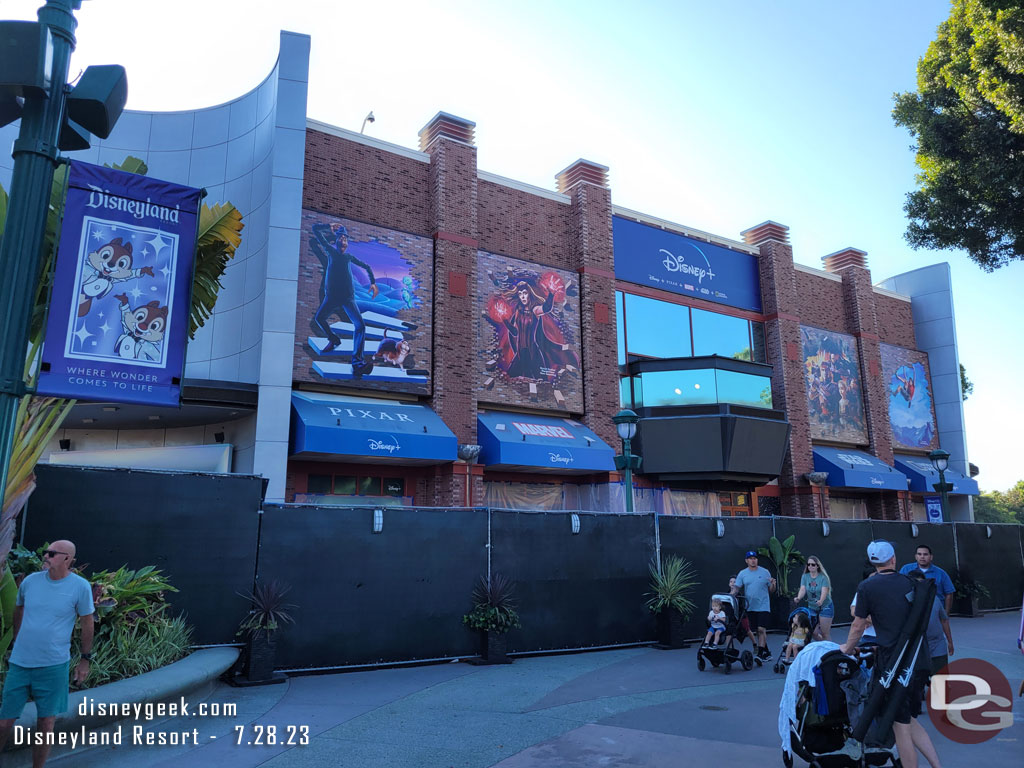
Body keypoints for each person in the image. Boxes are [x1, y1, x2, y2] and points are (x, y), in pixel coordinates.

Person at [842, 541, 943, 768]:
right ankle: (937, 765)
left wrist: (847, 649)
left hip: (893, 665)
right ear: (894, 559)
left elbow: (858, 626)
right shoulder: (909, 582)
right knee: (908, 719)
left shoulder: (867, 587)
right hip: (917, 661)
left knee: (900, 726)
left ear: (872, 561)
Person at [0, 540, 95, 768]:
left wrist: (84, 660)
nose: (46, 556)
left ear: (67, 559)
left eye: (52, 553)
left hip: (53, 666)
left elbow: (87, 622)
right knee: (3, 723)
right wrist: (18, 640)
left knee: (46, 724)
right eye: (46, 552)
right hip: (21, 663)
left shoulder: (80, 587)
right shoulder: (31, 582)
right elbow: (19, 608)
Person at [310, 223, 379, 375]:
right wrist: (328, 225)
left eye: (346, 239)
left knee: (360, 326)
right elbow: (315, 230)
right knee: (319, 318)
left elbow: (367, 266)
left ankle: (358, 364)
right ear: (336, 241)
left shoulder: (349, 257)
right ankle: (333, 339)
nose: (343, 241)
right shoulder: (330, 252)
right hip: (332, 297)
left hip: (348, 299)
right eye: (341, 238)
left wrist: (373, 282)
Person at [906, 570, 955, 675]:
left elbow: (944, 620)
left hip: (937, 645)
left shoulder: (935, 599)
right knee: (916, 680)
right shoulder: (906, 601)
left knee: (940, 677)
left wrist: (950, 642)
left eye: (922, 583)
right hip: (916, 647)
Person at [731, 549, 776, 659]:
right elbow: (736, 588)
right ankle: (767, 652)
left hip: (763, 605)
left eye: (755, 558)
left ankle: (760, 655)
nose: (753, 561)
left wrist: (773, 584)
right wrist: (730, 596)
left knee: (761, 629)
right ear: (746, 560)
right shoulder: (742, 573)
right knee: (757, 630)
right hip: (750, 606)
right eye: (750, 559)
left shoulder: (765, 572)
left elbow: (771, 590)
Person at [899, 544, 955, 613]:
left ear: (931, 557)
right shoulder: (906, 569)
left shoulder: (941, 573)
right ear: (916, 556)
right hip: (912, 610)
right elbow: (899, 588)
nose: (922, 557)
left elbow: (949, 593)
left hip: (935, 610)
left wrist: (946, 613)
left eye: (925, 554)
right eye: (919, 554)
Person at [794, 555, 834, 641]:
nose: (810, 566)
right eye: (808, 564)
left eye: (813, 564)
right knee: (813, 632)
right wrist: (799, 597)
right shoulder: (805, 576)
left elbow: (825, 591)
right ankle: (824, 646)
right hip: (812, 607)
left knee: (824, 633)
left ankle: (830, 650)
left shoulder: (823, 577)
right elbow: (803, 589)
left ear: (817, 565)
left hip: (825, 606)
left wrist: (821, 601)